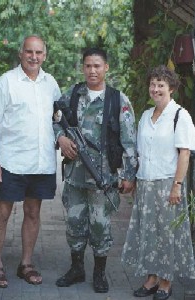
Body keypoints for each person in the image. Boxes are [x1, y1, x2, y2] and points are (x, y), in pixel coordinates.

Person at [53, 47, 137, 293]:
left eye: (97, 66)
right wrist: (61, 139)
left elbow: (129, 141)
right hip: (75, 176)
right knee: (74, 223)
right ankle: (77, 269)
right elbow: (55, 118)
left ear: (106, 68)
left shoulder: (117, 100)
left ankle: (99, 273)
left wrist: (129, 176)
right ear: (83, 67)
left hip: (104, 177)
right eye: (88, 66)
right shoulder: (72, 94)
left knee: (100, 226)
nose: (92, 70)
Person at [0, 35, 61, 288]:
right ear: (21, 53)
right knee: (2, 213)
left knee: (33, 213)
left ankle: (26, 263)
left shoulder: (51, 84)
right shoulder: (7, 81)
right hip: (11, 162)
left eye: (38, 52)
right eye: (29, 52)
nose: (34, 57)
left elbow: (58, 120)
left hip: (41, 162)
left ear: (45, 55)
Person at [121, 65, 195, 300]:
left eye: (161, 85)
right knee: (147, 233)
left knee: (166, 234)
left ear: (171, 88)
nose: (156, 89)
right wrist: (133, 178)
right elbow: (139, 152)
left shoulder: (180, 115)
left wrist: (177, 185)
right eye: (153, 84)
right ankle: (151, 279)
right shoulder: (145, 116)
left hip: (168, 184)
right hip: (146, 183)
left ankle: (165, 282)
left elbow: (184, 153)